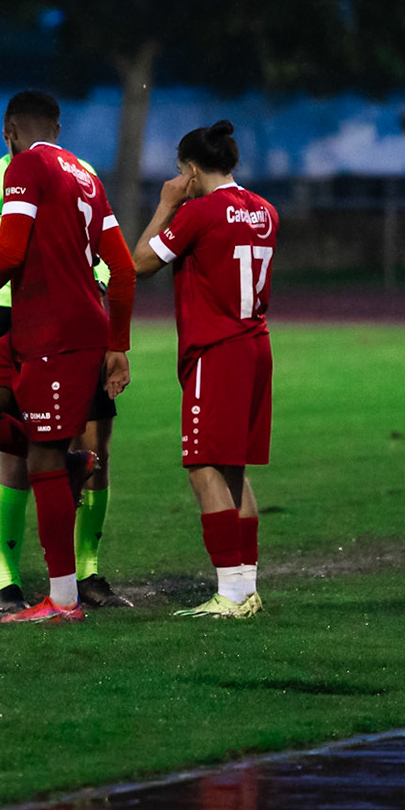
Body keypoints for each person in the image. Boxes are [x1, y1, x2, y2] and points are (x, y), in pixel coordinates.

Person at [0, 91, 136, 623]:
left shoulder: (25, 165)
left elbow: (9, 251)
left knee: (43, 461)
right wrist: (117, 342)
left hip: (58, 333)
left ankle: (63, 600)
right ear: (58, 125)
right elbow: (119, 268)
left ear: (8, 130)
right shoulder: (85, 175)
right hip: (33, 330)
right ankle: (70, 463)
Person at [133, 121, 276, 619]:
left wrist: (166, 205)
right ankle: (246, 588)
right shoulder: (265, 210)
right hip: (256, 345)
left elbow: (137, 264)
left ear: (191, 170)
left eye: (179, 173)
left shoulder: (197, 213)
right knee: (232, 468)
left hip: (217, 350)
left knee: (202, 467)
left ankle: (231, 594)